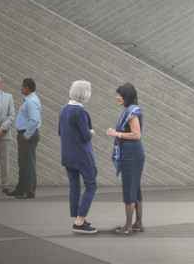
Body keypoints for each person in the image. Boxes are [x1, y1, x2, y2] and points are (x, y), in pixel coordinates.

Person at [104, 83, 145, 235]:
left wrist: (117, 134)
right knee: (135, 189)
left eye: (120, 95)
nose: (118, 97)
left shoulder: (132, 112)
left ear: (126, 95)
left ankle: (128, 226)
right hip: (134, 153)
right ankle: (138, 224)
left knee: (129, 188)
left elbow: (136, 134)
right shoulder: (131, 110)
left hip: (131, 154)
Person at [60, 79, 98, 233]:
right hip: (82, 155)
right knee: (91, 186)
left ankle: (77, 217)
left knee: (74, 186)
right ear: (84, 94)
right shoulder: (80, 111)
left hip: (68, 154)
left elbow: (60, 132)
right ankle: (80, 221)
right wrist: (91, 132)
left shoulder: (64, 109)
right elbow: (86, 135)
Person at [11, 78, 42, 199]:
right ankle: (21, 189)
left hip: (28, 135)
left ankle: (29, 191)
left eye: (22, 86)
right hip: (25, 135)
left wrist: (27, 135)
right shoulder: (30, 99)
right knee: (23, 163)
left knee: (28, 164)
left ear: (27, 88)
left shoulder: (31, 101)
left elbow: (34, 120)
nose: (21, 88)